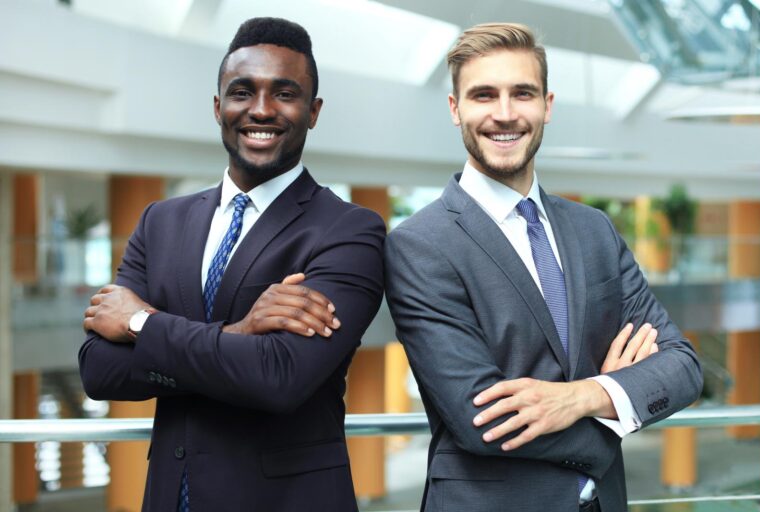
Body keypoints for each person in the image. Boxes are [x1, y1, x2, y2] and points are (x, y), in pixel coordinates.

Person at [384, 23, 702, 512]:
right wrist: (615, 408)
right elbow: (483, 422)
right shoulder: (419, 245)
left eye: (523, 94)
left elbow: (681, 366)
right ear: (455, 109)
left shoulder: (594, 229)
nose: (505, 114)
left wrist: (584, 396)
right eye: (484, 95)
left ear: (547, 106)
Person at [79, 17, 385, 511]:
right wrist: (239, 336)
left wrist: (140, 322)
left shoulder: (350, 230)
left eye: (284, 93)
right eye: (243, 92)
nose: (261, 110)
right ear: (219, 106)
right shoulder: (161, 221)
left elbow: (280, 377)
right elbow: (100, 371)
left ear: (313, 111)